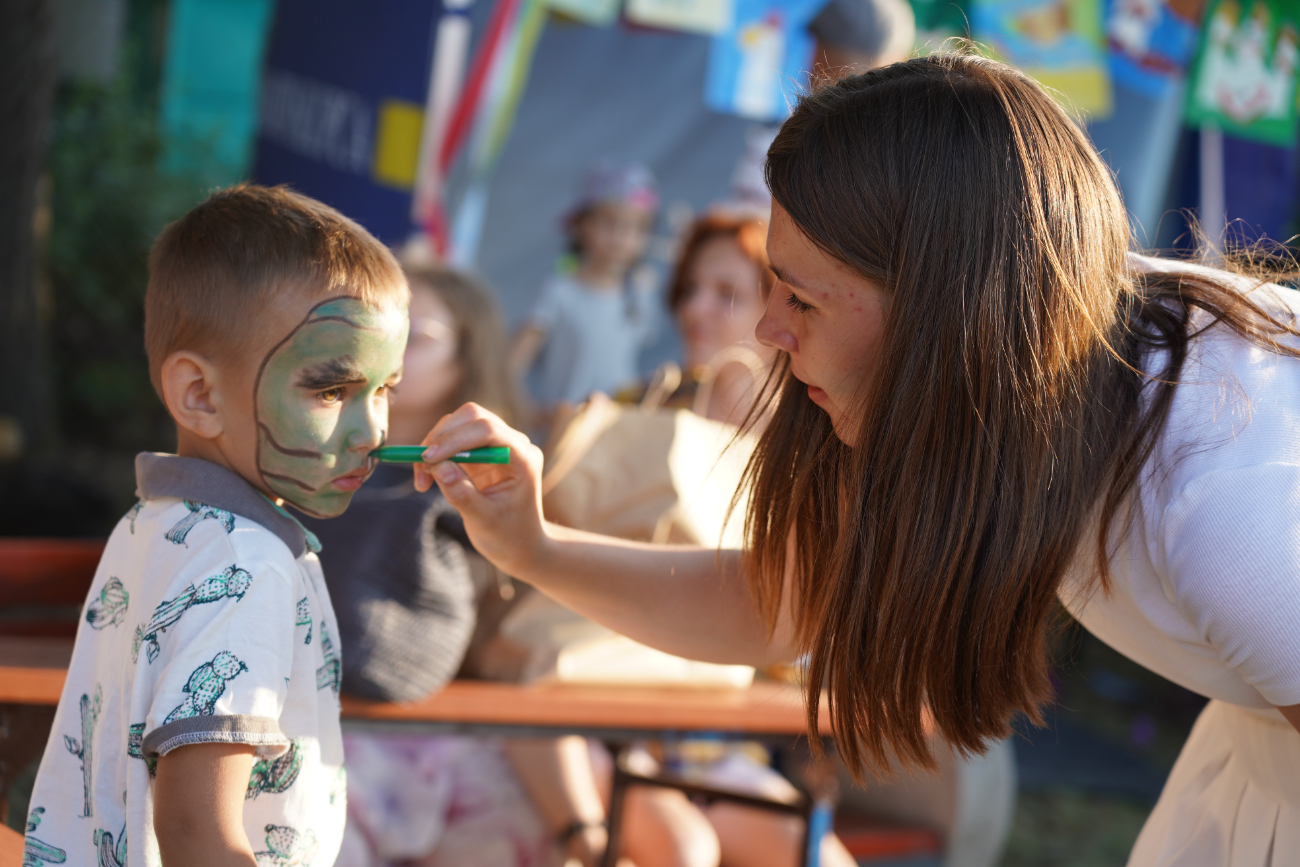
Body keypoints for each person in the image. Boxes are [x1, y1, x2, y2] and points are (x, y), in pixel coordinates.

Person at [415, 52, 1300, 867]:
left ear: (941, 313)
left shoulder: (1219, 505)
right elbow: (782, 599)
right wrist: (531, 548)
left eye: (801, 298)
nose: (768, 328)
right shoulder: (1013, 375)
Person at [24, 185, 408, 867]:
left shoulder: (156, 521)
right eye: (330, 390)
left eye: (385, 390)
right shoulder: (246, 564)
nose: (373, 432)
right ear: (199, 394)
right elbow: (197, 830)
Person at [308, 262, 721, 867]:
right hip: (395, 730)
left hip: (499, 719)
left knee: (677, 841)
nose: (388, 355)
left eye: (416, 337)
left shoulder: (502, 477)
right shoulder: (311, 468)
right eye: (371, 331)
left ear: (465, 356)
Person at [510, 160, 661, 413]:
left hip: (616, 430)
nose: (622, 237)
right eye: (610, 223)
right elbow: (512, 365)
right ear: (581, 225)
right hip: (561, 430)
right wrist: (530, 413)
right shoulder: (557, 292)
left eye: (636, 227)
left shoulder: (641, 294)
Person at [620, 211, 777, 428]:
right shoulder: (635, 410)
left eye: (728, 294)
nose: (693, 308)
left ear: (780, 310)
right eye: (689, 289)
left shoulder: (812, 435)